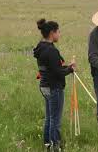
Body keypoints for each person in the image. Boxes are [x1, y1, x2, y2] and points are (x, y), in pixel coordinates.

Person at [33, 19, 76, 151]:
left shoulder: (41, 47)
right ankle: (55, 146)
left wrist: (67, 67)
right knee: (55, 120)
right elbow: (58, 72)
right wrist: (70, 69)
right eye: (58, 32)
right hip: (54, 88)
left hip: (44, 86)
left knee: (49, 118)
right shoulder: (51, 51)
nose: (59, 34)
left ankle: (47, 144)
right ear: (52, 33)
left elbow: (53, 68)